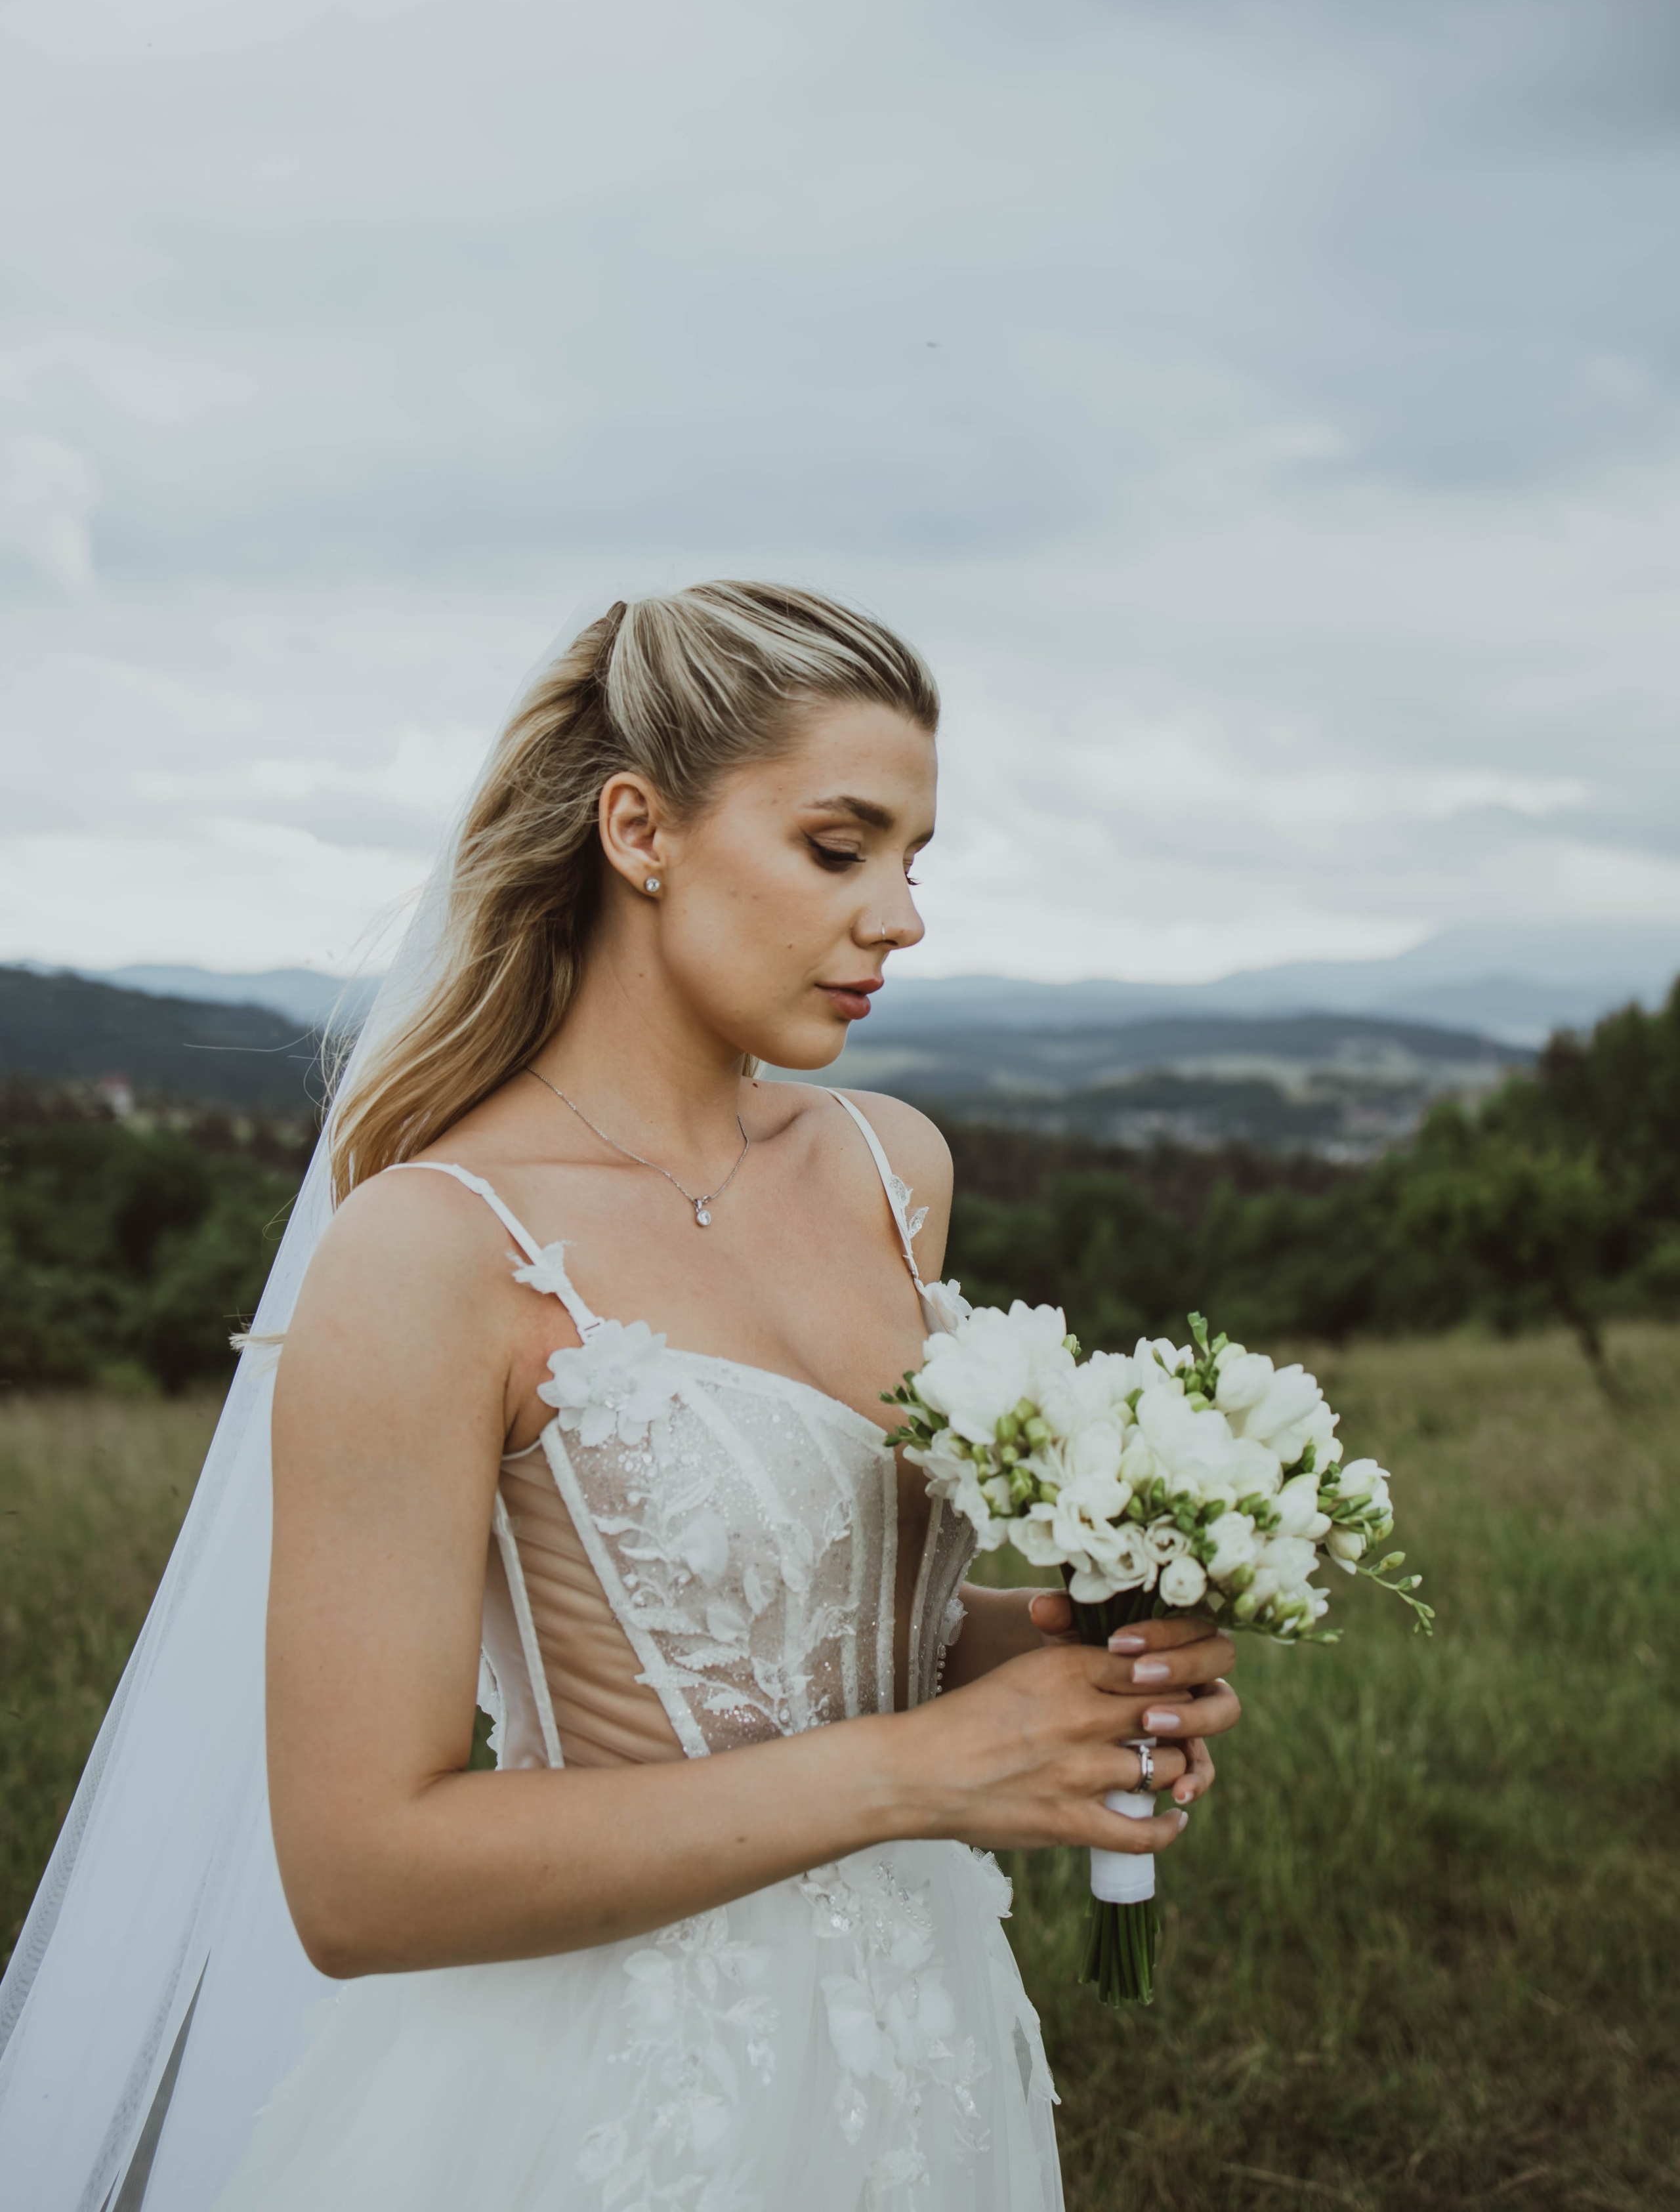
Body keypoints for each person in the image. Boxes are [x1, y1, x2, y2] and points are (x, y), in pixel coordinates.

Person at [0, 581, 1240, 2211]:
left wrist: (1077, 1656)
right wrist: (929, 1774)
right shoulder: (434, 1251)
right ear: (639, 829)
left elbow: (818, 1636)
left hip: (920, 2047)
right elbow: (360, 1879)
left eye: (914, 863)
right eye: (836, 847)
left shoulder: (894, 1169)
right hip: (616, 2098)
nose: (901, 918)